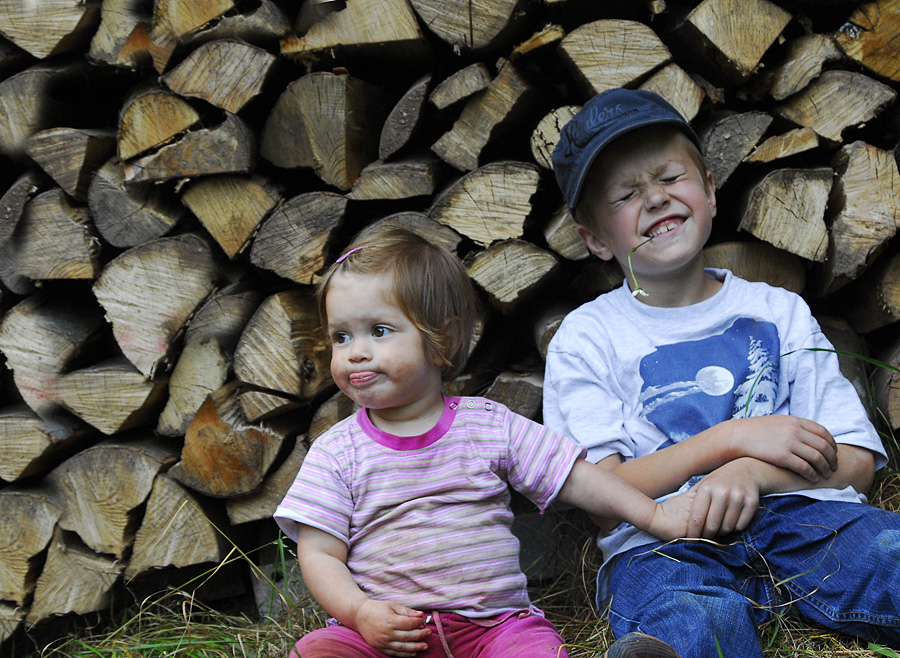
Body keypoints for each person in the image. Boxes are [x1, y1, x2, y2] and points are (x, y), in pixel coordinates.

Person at [544, 87, 900, 658]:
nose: (656, 198)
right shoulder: (587, 339)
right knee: (690, 617)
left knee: (887, 552)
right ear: (594, 239)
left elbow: (855, 464)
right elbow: (601, 492)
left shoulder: (777, 311)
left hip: (804, 517)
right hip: (662, 539)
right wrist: (729, 440)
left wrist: (752, 474)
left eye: (669, 177)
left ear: (709, 189)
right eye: (627, 193)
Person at [274, 228, 698, 658]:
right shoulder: (335, 452)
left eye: (379, 330)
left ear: (444, 340)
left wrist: (655, 514)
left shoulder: (488, 427)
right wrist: (360, 612)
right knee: (318, 651)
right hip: (384, 637)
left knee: (533, 650)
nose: (355, 352)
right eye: (341, 336)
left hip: (492, 631)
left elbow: (578, 479)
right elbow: (320, 554)